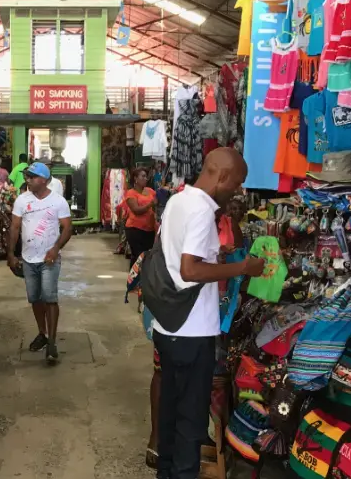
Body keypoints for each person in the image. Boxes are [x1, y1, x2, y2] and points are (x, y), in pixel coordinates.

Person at [154, 148, 264, 479]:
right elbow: (189, 269)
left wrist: (216, 257)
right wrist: (243, 267)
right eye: (239, 182)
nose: (238, 190)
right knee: (191, 419)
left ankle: (166, 472)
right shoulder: (202, 211)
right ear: (223, 176)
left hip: (168, 325)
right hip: (192, 331)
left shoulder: (178, 200)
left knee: (172, 411)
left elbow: (175, 258)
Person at [7, 162, 72, 364]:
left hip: (49, 259)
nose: (27, 180)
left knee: (50, 298)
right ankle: (42, 334)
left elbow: (68, 228)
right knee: (35, 299)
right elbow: (15, 227)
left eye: (31, 177)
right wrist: (10, 253)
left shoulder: (58, 202)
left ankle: (52, 342)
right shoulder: (21, 200)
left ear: (43, 180)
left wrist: (55, 249)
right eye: (27, 176)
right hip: (28, 258)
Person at [124, 168, 157, 268]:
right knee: (138, 257)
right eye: (142, 176)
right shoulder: (131, 193)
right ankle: (134, 281)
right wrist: (150, 204)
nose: (145, 179)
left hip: (149, 230)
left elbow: (156, 205)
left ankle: (143, 281)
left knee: (147, 257)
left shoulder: (150, 191)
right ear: (135, 179)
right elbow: (136, 210)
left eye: (146, 177)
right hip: (135, 230)